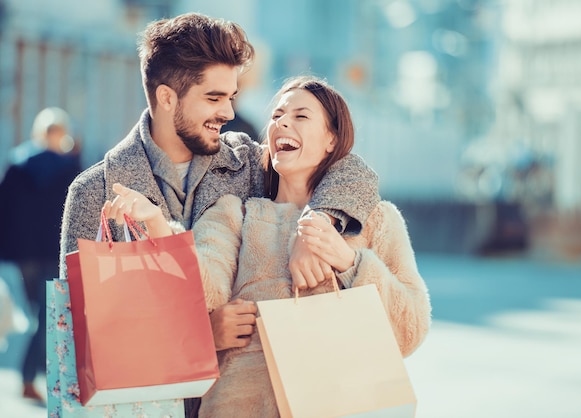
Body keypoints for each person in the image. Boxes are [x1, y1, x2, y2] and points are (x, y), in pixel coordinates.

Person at [59, 13, 379, 415]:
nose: (228, 112)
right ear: (166, 97)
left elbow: (351, 169)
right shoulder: (94, 191)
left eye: (232, 96)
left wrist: (317, 224)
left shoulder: (246, 162)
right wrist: (198, 337)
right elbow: (80, 337)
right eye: (214, 98)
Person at [105, 75, 432, 418]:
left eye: (300, 116)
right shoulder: (234, 214)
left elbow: (410, 330)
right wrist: (158, 227)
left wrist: (350, 262)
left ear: (331, 139)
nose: (282, 123)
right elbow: (204, 295)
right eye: (276, 116)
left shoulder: (376, 220)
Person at [0, 107, 82, 403]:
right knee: (48, 314)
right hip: (52, 251)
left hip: (23, 255)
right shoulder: (69, 167)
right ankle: (31, 377)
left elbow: (4, 212)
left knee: (39, 313)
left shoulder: (17, 164)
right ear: (60, 134)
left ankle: (31, 378)